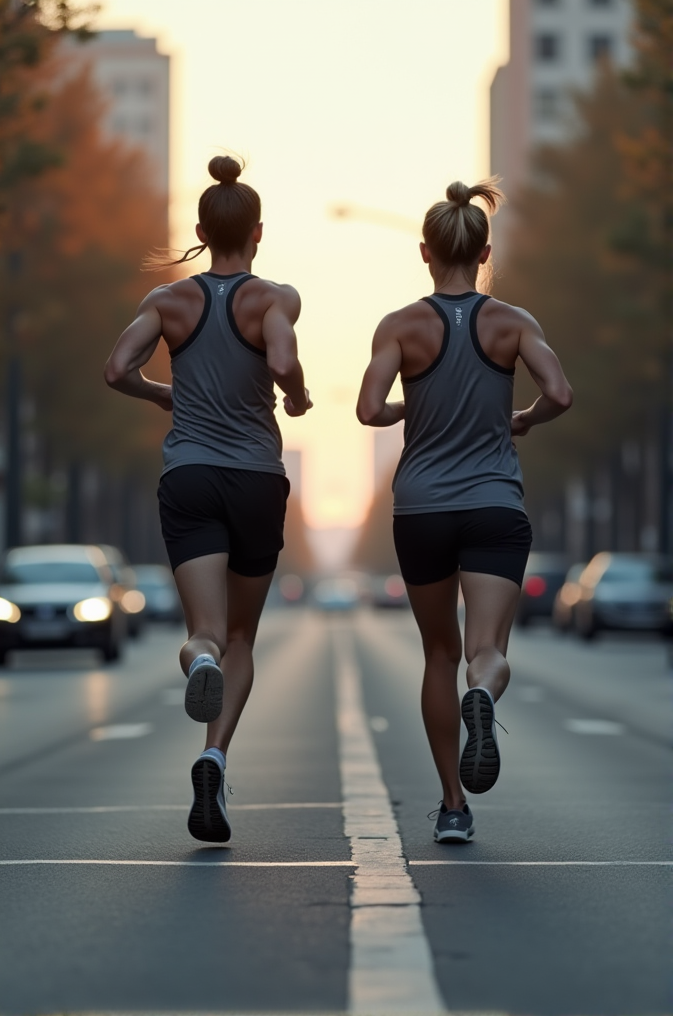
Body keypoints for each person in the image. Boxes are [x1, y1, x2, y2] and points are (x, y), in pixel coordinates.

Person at [356, 178, 572, 844]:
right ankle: (486, 692)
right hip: (493, 507)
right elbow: (560, 392)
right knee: (486, 652)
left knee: (437, 654)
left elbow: (367, 410)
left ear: (425, 252)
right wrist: (524, 419)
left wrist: (407, 407)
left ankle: (453, 805)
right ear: (483, 255)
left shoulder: (401, 326)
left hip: (421, 508)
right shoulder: (511, 323)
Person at [105, 156, 312, 843]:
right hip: (255, 477)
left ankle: (197, 663)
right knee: (245, 635)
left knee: (207, 633)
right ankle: (215, 757)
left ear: (200, 229)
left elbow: (114, 369)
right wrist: (296, 393)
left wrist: (163, 392)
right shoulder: (274, 297)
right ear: (257, 233)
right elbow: (281, 361)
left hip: (188, 475)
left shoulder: (168, 303)